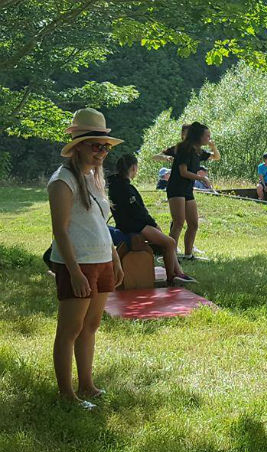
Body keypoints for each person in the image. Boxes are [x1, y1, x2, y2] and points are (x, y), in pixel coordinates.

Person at [48, 108, 125, 408]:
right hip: (77, 263)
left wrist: (115, 258)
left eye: (105, 146)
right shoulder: (62, 181)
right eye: (96, 145)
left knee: (90, 326)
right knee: (70, 330)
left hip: (101, 260)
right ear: (78, 144)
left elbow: (100, 225)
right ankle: (66, 394)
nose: (102, 152)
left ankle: (87, 385)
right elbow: (60, 231)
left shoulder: (93, 177)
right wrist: (75, 271)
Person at [108, 153, 195, 286]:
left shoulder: (116, 185)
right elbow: (138, 212)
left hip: (129, 223)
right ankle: (171, 276)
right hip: (133, 225)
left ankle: (178, 272)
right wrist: (153, 224)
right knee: (170, 243)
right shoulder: (126, 188)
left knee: (168, 242)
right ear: (133, 168)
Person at [166, 122, 213, 260]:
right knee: (178, 223)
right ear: (198, 136)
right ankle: (171, 256)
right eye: (207, 136)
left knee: (193, 224)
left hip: (187, 190)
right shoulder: (184, 148)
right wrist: (202, 179)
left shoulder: (197, 150)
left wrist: (213, 147)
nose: (209, 138)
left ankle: (188, 255)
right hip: (176, 188)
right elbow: (183, 172)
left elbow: (216, 157)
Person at [153, 123, 220, 165]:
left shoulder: (198, 151)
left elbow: (216, 157)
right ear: (182, 135)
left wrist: (213, 147)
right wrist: (166, 157)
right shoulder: (177, 148)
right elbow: (155, 157)